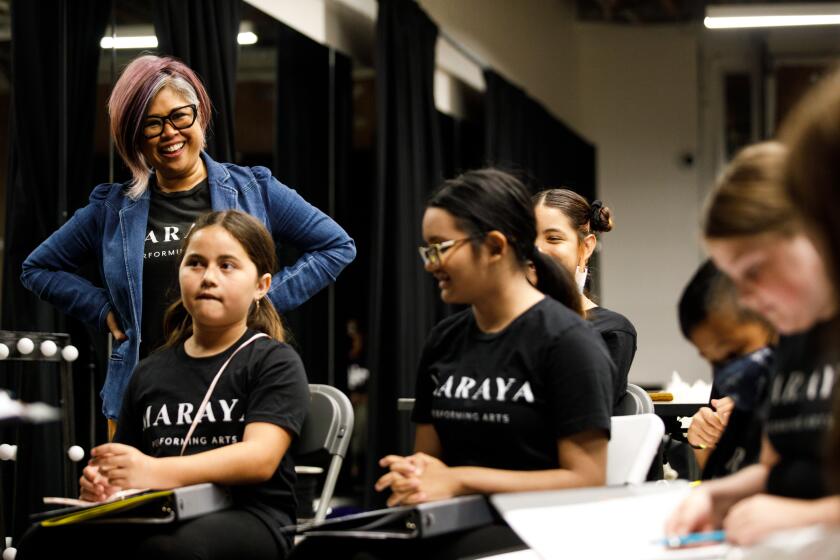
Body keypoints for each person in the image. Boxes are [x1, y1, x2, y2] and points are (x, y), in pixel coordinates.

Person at [20, 55, 355, 428]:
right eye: (151, 124)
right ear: (134, 137)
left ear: (200, 115)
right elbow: (37, 267)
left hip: (233, 388)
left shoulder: (253, 189)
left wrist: (259, 299)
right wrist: (102, 309)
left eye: (180, 116)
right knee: (131, 486)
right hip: (141, 397)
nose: (169, 132)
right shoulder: (112, 208)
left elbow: (337, 246)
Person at [16, 210, 309, 560]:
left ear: (261, 285)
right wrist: (105, 483)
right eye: (196, 263)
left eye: (227, 265)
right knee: (42, 540)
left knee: (164, 551)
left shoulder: (273, 361)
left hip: (253, 516)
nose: (209, 277)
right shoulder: (150, 371)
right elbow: (126, 463)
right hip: (160, 512)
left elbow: (258, 459)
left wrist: (153, 471)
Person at [666, 142, 840, 546]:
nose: (745, 299)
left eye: (755, 271)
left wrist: (806, 514)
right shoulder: (795, 337)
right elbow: (773, 468)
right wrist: (714, 493)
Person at [533, 189, 637, 408]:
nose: (537, 250)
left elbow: (586, 415)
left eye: (553, 238)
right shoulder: (498, 322)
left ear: (586, 247)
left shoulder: (611, 331)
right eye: (527, 239)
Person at [677, 260, 775, 477]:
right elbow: (722, 478)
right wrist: (704, 441)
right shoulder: (735, 382)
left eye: (734, 352)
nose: (728, 370)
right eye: (714, 361)